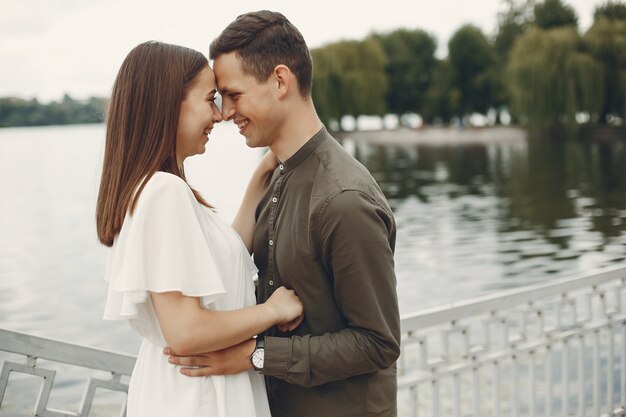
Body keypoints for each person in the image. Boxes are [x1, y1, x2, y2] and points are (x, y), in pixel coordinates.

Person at [166, 10, 401, 417]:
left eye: (234, 95)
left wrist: (256, 355)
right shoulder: (277, 176)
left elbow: (377, 343)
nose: (224, 113)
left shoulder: (344, 199)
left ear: (279, 82)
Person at [96, 40, 303, 417]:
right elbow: (187, 332)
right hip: (197, 398)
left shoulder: (151, 188)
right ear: (168, 104)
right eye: (210, 99)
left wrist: (262, 175)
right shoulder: (165, 192)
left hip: (183, 390)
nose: (221, 115)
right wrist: (273, 311)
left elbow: (224, 258)